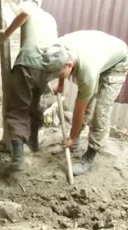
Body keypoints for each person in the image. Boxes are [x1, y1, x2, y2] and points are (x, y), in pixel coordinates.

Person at [46, 30, 128, 176]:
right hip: (98, 52)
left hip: (117, 62)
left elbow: (80, 109)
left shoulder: (87, 72)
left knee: (101, 111)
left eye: (59, 75)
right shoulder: (57, 48)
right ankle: (75, 143)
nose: (57, 76)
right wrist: (60, 84)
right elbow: (59, 67)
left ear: (70, 65)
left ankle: (90, 155)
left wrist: (70, 136)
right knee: (86, 98)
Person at [0, 0, 58, 170]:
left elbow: (24, 13)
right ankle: (34, 139)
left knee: (17, 107)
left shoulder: (29, 6)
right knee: (35, 103)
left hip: (28, 63)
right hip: (47, 67)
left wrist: (6, 33)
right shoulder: (50, 18)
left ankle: (17, 156)